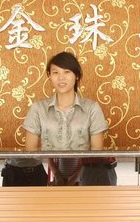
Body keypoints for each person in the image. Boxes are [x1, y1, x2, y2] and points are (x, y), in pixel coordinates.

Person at [17, 51, 114, 186]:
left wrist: (75, 177)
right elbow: (31, 151)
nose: (61, 78)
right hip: (50, 180)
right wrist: (56, 174)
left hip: (85, 181)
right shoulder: (38, 108)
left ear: (77, 76)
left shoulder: (92, 108)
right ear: (49, 76)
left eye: (67, 72)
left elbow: (96, 152)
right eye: (55, 72)